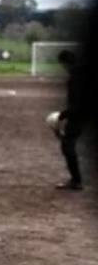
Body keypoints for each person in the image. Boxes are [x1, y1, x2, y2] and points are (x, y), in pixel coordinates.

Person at [55, 50, 85, 191]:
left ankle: (76, 181)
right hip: (81, 114)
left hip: (79, 115)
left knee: (67, 145)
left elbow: (78, 103)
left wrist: (63, 114)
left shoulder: (75, 77)